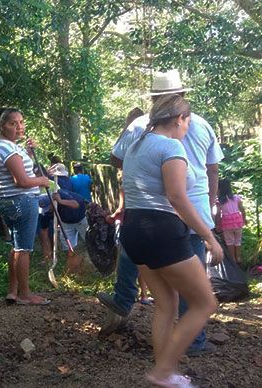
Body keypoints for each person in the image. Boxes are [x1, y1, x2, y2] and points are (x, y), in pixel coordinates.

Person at [98, 70, 224, 359]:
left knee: (163, 294)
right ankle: (188, 344)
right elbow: (207, 172)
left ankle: (128, 305)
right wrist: (211, 212)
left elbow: (116, 159)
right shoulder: (193, 128)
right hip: (176, 216)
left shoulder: (140, 129)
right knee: (196, 292)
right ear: (181, 103)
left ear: (155, 99)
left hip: (146, 219)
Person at [119, 94, 223, 386]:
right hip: (161, 229)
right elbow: (177, 197)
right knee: (204, 303)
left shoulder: (137, 144)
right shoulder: (171, 146)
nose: (188, 128)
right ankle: (162, 372)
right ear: (179, 120)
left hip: (133, 229)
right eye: (188, 122)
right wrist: (208, 236)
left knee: (166, 304)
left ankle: (165, 374)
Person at [0, 107, 50, 305]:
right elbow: (22, 181)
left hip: (10, 201)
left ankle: (12, 291)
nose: (19, 127)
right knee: (23, 249)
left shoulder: (6, 146)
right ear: (2, 125)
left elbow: (22, 169)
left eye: (21, 122)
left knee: (16, 247)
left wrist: (30, 155)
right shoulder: (6, 148)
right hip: (21, 201)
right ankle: (25, 294)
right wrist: (42, 180)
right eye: (13, 123)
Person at [51, 188, 87, 273]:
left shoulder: (62, 194)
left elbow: (75, 204)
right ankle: (73, 269)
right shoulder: (50, 198)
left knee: (90, 242)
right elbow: (53, 211)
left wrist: (60, 201)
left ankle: (91, 264)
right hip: (66, 222)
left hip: (81, 220)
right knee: (69, 248)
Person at [216, 178, 247, 264]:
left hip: (226, 223)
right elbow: (242, 210)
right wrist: (244, 219)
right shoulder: (236, 198)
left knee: (229, 241)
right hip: (237, 221)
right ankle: (239, 258)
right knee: (238, 240)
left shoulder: (219, 202)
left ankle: (233, 259)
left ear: (220, 189)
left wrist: (218, 225)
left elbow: (218, 215)